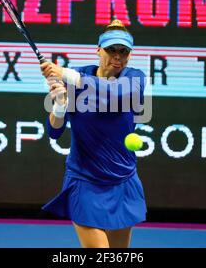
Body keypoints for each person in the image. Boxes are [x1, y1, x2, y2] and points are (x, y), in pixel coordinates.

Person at [40, 19, 147, 248]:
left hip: (122, 180)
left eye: (123, 51)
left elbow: (116, 93)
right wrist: (60, 104)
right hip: (84, 180)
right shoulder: (75, 77)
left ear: (129, 55)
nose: (117, 56)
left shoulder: (134, 78)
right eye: (111, 50)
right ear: (98, 50)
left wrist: (66, 75)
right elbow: (54, 131)